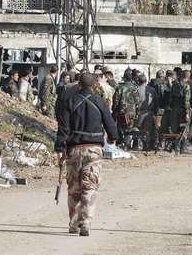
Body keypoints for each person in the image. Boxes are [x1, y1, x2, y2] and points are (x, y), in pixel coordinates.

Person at [54, 72, 118, 237]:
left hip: (74, 150)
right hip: (94, 150)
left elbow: (63, 127)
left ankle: (74, 224)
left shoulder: (70, 102)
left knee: (74, 187)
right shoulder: (100, 102)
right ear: (94, 86)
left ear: (79, 85)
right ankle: (86, 223)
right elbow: (110, 123)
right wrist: (113, 138)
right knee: (89, 186)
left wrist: (59, 148)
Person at [112, 70, 140, 145]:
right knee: (129, 129)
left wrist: (114, 110)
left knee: (120, 128)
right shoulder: (135, 88)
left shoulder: (120, 88)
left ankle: (120, 142)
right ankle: (126, 144)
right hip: (131, 112)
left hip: (121, 112)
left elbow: (116, 101)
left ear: (124, 78)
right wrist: (137, 112)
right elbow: (137, 102)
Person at [170, 70, 192, 154]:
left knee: (175, 128)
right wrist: (187, 112)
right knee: (184, 128)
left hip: (175, 109)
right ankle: (183, 148)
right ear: (188, 78)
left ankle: (173, 147)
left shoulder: (175, 84)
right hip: (183, 110)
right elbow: (186, 100)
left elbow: (171, 98)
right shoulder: (186, 86)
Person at [137, 74, 159, 150]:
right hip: (150, 112)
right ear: (146, 81)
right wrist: (155, 113)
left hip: (140, 112)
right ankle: (147, 145)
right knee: (147, 130)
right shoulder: (152, 90)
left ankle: (138, 145)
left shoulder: (137, 89)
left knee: (138, 129)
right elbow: (156, 101)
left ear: (138, 81)